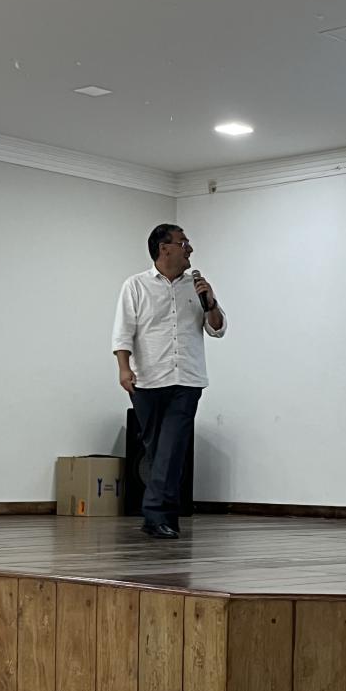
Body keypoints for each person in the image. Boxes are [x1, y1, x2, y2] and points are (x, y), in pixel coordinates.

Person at [111, 224, 227, 539]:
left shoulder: (197, 286)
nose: (190, 249)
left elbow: (217, 329)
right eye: (183, 243)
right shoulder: (135, 285)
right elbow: (123, 331)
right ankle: (162, 516)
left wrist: (210, 302)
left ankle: (156, 515)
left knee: (172, 448)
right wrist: (124, 369)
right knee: (158, 450)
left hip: (187, 380)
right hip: (147, 381)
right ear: (164, 248)